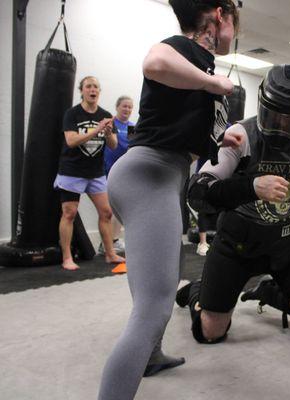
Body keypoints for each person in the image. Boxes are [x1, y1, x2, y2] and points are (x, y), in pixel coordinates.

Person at [98, 2, 240, 399]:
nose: (235, 32)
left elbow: (176, 121)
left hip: (158, 178)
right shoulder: (185, 49)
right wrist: (214, 85)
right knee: (154, 306)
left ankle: (152, 354)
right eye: (234, 22)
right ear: (218, 15)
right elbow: (154, 61)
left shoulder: (200, 63)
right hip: (149, 177)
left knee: (166, 273)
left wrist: (221, 136)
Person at [176, 64, 290, 345]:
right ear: (263, 105)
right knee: (211, 332)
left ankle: (272, 291)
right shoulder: (241, 134)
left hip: (287, 247)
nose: (284, 126)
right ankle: (197, 292)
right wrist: (251, 186)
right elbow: (198, 193)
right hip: (236, 247)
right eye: (275, 117)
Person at [53, 76, 125, 271]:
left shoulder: (106, 115)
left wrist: (108, 132)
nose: (92, 89)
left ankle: (110, 253)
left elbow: (113, 145)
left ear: (99, 92)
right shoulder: (72, 114)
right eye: (88, 86)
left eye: (96, 87)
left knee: (106, 212)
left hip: (95, 172)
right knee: (69, 213)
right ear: (82, 91)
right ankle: (67, 257)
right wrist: (97, 129)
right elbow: (71, 141)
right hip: (72, 170)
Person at [98, 96, 135, 255]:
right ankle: (106, 243)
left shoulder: (133, 126)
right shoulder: (110, 123)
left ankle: (114, 239)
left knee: (121, 207)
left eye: (129, 107)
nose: (127, 109)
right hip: (109, 170)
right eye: (124, 106)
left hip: (126, 171)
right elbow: (112, 145)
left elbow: (133, 147)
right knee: (107, 209)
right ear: (117, 107)